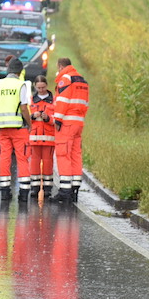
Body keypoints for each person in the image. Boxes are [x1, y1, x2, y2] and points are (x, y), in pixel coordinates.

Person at [0, 57, 32, 203]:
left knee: (4, 157)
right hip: (18, 128)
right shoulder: (20, 85)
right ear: (20, 71)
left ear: (8, 69)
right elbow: (24, 108)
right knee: (22, 158)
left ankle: (4, 191)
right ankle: (23, 193)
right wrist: (30, 124)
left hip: (2, 127)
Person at [53, 57, 89, 203]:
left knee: (63, 154)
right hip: (78, 122)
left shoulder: (66, 79)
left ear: (61, 67)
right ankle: (74, 188)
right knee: (75, 154)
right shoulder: (82, 80)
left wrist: (57, 119)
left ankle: (64, 191)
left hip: (66, 122)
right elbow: (85, 103)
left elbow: (62, 101)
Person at [28, 75, 56, 200]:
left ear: (47, 86)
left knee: (48, 163)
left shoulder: (54, 100)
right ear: (35, 87)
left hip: (49, 138)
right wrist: (32, 116)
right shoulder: (31, 100)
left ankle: (47, 188)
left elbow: (57, 119)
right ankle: (34, 188)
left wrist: (48, 118)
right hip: (34, 138)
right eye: (38, 88)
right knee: (34, 163)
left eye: (43, 87)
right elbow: (26, 116)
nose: (41, 90)